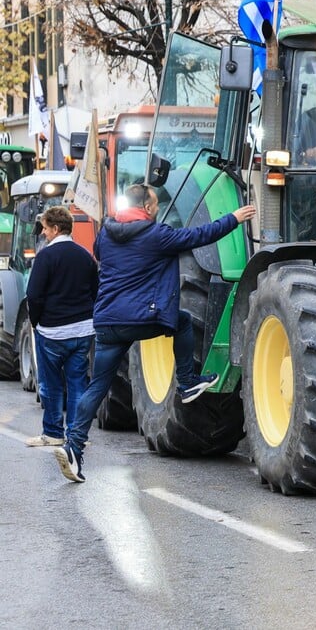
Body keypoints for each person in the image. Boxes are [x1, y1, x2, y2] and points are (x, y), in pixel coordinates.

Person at [54, 184, 256, 483]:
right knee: (183, 322)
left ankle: (73, 446)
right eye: (155, 204)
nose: (158, 208)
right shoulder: (156, 235)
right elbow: (199, 236)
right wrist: (234, 218)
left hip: (108, 322)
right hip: (140, 318)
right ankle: (187, 383)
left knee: (97, 386)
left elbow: (100, 255)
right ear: (147, 208)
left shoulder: (107, 234)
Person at [24, 206, 98, 448]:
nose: (43, 233)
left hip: (52, 332)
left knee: (51, 384)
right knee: (78, 383)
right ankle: (77, 435)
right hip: (83, 330)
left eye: (45, 228)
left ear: (56, 229)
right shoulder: (85, 255)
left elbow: (34, 295)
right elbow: (95, 290)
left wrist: (36, 323)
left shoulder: (45, 256)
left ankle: (53, 433)